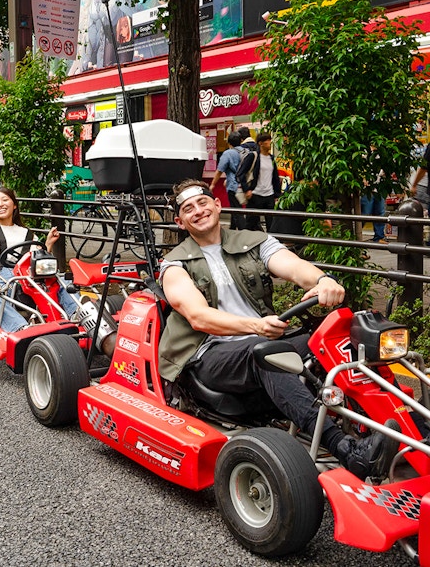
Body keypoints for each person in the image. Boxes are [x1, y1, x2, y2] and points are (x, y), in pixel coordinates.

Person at [158, 179, 398, 481]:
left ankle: (408, 428)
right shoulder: (174, 263)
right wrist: (255, 326)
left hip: (261, 339)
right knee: (267, 353)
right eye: (188, 209)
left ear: (217, 205)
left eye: (203, 202)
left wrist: (321, 281)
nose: (199, 211)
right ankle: (348, 451)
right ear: (180, 222)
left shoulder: (254, 241)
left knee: (345, 337)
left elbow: (294, 266)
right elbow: (198, 317)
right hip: (207, 354)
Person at [0, 187, 78, 332]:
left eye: (5, 200)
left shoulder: (27, 233)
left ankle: (78, 314)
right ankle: (22, 330)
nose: (0, 204)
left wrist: (48, 244)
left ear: (14, 205)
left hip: (27, 275)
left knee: (64, 281)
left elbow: (37, 259)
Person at [238, 132, 282, 232]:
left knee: (272, 224)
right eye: (268, 141)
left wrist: (277, 195)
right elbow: (241, 173)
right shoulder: (253, 156)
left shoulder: (271, 158)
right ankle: (247, 243)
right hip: (255, 195)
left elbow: (275, 177)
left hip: (269, 195)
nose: (270, 143)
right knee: (251, 223)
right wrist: (247, 190)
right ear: (260, 143)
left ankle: (270, 245)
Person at [209, 131, 246, 230]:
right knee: (236, 210)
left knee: (237, 211)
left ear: (229, 143)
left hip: (233, 186)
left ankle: (243, 232)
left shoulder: (228, 153)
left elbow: (219, 170)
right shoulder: (246, 151)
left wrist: (212, 184)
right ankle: (232, 230)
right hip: (246, 185)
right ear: (241, 141)